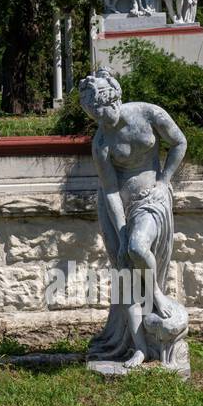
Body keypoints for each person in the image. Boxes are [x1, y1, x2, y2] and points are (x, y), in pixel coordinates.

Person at [79, 68, 189, 370]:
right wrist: (121, 227)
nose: (103, 120)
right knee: (126, 278)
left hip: (151, 200)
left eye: (104, 111)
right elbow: (111, 191)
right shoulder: (101, 142)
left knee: (138, 248)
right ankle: (138, 347)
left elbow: (179, 142)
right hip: (118, 208)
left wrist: (165, 180)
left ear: (115, 100)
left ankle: (156, 296)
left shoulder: (149, 114)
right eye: (95, 116)